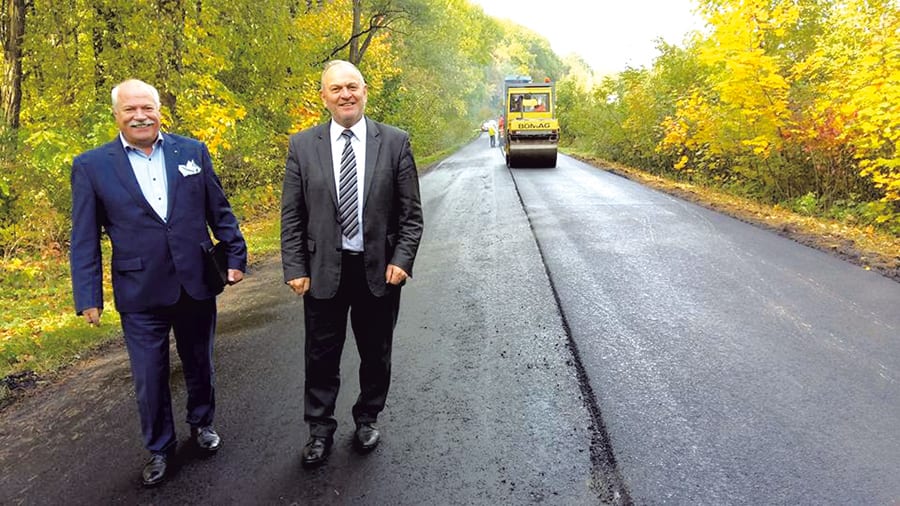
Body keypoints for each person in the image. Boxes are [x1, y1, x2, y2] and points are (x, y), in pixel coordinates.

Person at [69, 79, 247, 487]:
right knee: (149, 376)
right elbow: (83, 237)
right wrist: (88, 296)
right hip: (139, 290)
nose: (140, 116)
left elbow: (219, 209)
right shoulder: (92, 166)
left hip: (195, 281)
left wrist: (235, 256)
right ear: (116, 115)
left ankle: (201, 424)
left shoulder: (192, 151)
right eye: (130, 109)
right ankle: (160, 447)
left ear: (159, 110)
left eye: (147, 107)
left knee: (200, 362)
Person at [280, 60, 424, 468]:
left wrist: (402, 260)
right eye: (336, 88)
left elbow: (411, 215)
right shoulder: (302, 146)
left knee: (376, 354)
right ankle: (319, 429)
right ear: (323, 97)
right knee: (320, 356)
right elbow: (292, 215)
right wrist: (295, 266)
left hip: (378, 272)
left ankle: (367, 418)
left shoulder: (394, 142)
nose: (345, 94)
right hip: (322, 270)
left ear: (364, 91)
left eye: (352, 86)